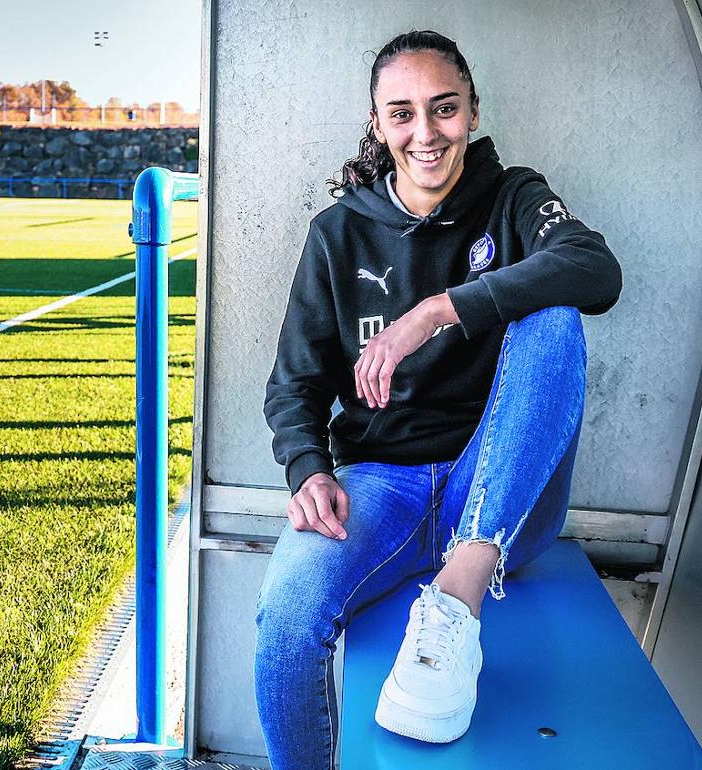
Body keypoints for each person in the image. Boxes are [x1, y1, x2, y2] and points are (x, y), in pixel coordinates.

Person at [256, 29, 622, 768]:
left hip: (499, 491)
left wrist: (436, 310)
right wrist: (308, 470)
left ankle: (457, 601)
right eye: (402, 114)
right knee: (286, 623)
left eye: (444, 108)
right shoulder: (337, 235)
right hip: (378, 488)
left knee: (554, 317)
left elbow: (595, 270)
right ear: (378, 124)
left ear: (473, 112)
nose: (425, 133)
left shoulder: (514, 196)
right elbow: (293, 386)